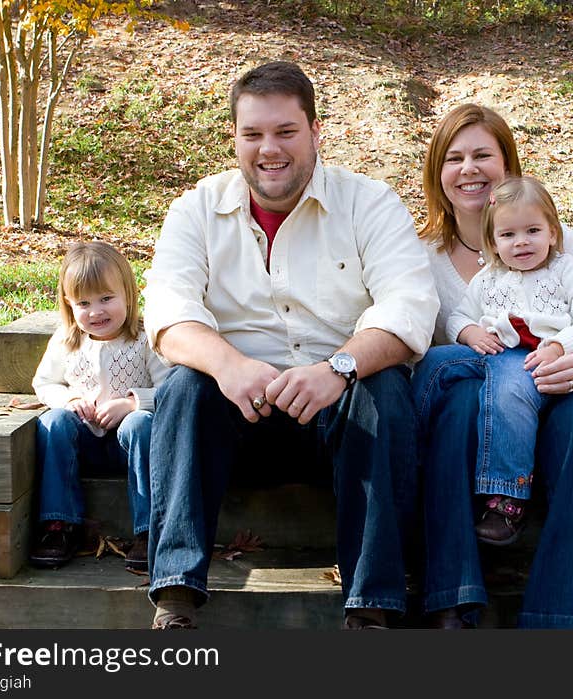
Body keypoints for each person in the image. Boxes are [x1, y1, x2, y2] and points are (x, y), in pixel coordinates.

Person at [141, 61, 438, 630]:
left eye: (285, 132)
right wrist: (228, 366)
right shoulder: (197, 209)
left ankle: (371, 609)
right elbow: (168, 312)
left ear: (315, 132)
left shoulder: (368, 203)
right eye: (252, 134)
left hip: (341, 418)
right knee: (183, 385)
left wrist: (338, 368)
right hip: (237, 417)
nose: (268, 149)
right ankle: (175, 596)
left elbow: (408, 308)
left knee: (385, 389)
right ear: (234, 138)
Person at [412, 104, 573, 629]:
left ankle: (568, 622)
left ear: (509, 166)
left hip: (548, 393)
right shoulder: (423, 256)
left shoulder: (553, 240)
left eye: (483, 155)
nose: (469, 169)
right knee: (462, 401)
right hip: (467, 418)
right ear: (437, 173)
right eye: (455, 158)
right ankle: (454, 597)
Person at [445, 175, 573, 546]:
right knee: (446, 370)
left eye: (533, 230)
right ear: (492, 243)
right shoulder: (488, 279)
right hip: (496, 353)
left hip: (546, 359)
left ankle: (508, 496)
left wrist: (561, 346)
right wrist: (470, 333)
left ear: (553, 233)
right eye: (507, 235)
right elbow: (457, 317)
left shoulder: (566, 271)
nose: (521, 242)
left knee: (508, 392)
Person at [30, 241, 169, 572]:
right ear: (69, 304)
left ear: (129, 293)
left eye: (106, 299)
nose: (96, 312)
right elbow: (44, 383)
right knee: (53, 422)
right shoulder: (67, 339)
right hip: (85, 442)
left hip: (132, 446)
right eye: (84, 303)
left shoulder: (144, 338)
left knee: (140, 424)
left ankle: (149, 530)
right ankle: (59, 525)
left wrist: (133, 403)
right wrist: (70, 400)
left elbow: (172, 387)